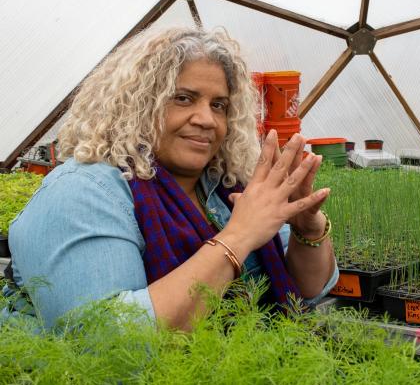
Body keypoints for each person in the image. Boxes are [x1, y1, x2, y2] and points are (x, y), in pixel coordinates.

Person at [6, 26, 338, 330]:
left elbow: (305, 290)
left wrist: (307, 230)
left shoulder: (225, 187)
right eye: (183, 98)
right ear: (136, 104)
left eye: (219, 105)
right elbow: (106, 342)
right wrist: (237, 237)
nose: (207, 119)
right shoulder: (84, 192)